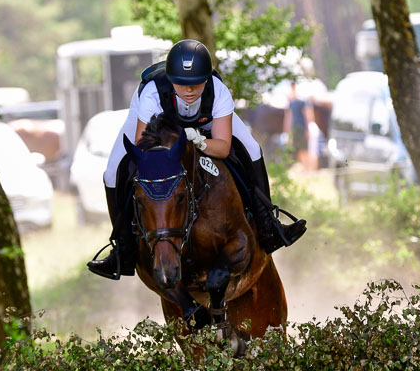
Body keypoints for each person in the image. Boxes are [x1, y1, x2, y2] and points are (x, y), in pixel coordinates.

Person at [88, 39, 306, 280]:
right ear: (171, 81)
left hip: (206, 122)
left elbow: (223, 148)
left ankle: (268, 225)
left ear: (205, 81)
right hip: (157, 126)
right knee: (111, 172)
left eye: (195, 84)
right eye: (181, 85)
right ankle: (123, 247)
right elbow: (146, 152)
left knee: (253, 149)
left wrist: (200, 142)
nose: (189, 91)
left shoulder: (218, 92)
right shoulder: (152, 95)